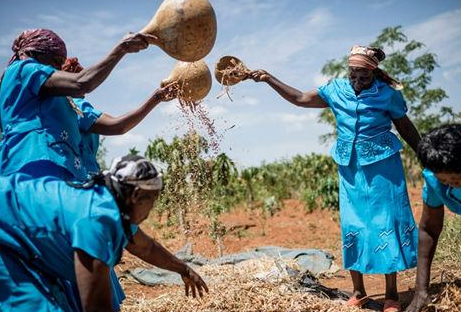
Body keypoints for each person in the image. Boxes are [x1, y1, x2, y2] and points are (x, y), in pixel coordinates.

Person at [249, 45, 421, 312]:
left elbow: (406, 127)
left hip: (383, 167)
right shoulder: (335, 90)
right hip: (350, 168)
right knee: (354, 225)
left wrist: (427, 155)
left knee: (386, 224)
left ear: (374, 73)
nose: (357, 79)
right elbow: (299, 98)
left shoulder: (387, 95)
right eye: (353, 73)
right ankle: (358, 292)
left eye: (363, 75)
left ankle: (391, 296)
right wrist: (268, 78)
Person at [0, 154, 209, 312]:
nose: (152, 208)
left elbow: (146, 248)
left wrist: (184, 269)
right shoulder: (96, 223)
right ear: (136, 195)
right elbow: (95, 306)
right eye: (152, 199)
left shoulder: (109, 205)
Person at [0, 28, 158, 180]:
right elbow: (82, 83)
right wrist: (122, 48)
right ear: (31, 52)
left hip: (52, 169)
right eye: (55, 62)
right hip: (35, 164)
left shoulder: (57, 102)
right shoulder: (24, 69)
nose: (55, 69)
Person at [61, 57, 177, 176]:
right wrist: (156, 98)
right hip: (81, 179)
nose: (87, 86)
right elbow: (118, 126)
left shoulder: (59, 108)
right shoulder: (75, 105)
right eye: (83, 81)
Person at [405, 124, 461, 312]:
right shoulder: (433, 178)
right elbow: (429, 229)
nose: (450, 185)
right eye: (444, 180)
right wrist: (421, 290)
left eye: (456, 180)